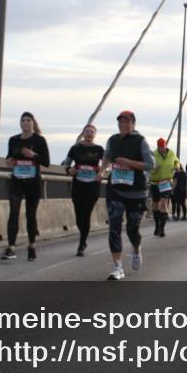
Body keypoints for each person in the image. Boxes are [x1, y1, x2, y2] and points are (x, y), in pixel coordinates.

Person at [101, 111, 154, 280]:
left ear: (133, 124)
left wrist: (129, 163)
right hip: (115, 189)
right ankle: (118, 267)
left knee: (132, 229)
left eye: (127, 122)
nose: (123, 125)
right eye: (121, 122)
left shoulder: (141, 141)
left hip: (136, 191)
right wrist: (101, 171)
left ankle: (136, 249)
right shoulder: (113, 140)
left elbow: (150, 165)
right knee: (114, 227)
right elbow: (107, 157)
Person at [1, 112, 50, 261]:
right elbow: (10, 157)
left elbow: (46, 162)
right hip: (17, 181)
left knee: (30, 215)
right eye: (23, 120)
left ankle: (31, 246)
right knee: (13, 213)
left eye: (29, 120)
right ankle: (11, 248)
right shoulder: (13, 140)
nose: (26, 123)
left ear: (33, 123)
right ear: (20, 123)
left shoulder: (39, 140)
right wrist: (9, 161)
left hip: (33, 183)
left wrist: (33, 155)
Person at [64, 124, 104, 256]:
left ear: (95, 134)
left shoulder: (99, 149)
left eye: (92, 131)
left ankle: (82, 243)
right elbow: (66, 163)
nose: (89, 133)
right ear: (83, 133)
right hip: (78, 184)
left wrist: (102, 171)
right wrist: (70, 170)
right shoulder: (75, 148)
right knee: (78, 217)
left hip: (92, 186)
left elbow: (107, 165)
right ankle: (83, 236)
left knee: (86, 214)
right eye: (87, 131)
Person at [149, 138, 179, 237]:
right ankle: (157, 226)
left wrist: (177, 166)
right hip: (155, 182)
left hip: (166, 182)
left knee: (163, 203)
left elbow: (176, 161)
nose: (161, 149)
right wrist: (154, 169)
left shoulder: (171, 153)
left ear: (166, 145)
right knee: (155, 204)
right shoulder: (153, 154)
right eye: (159, 147)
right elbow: (148, 169)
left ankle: (162, 229)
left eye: (163, 147)